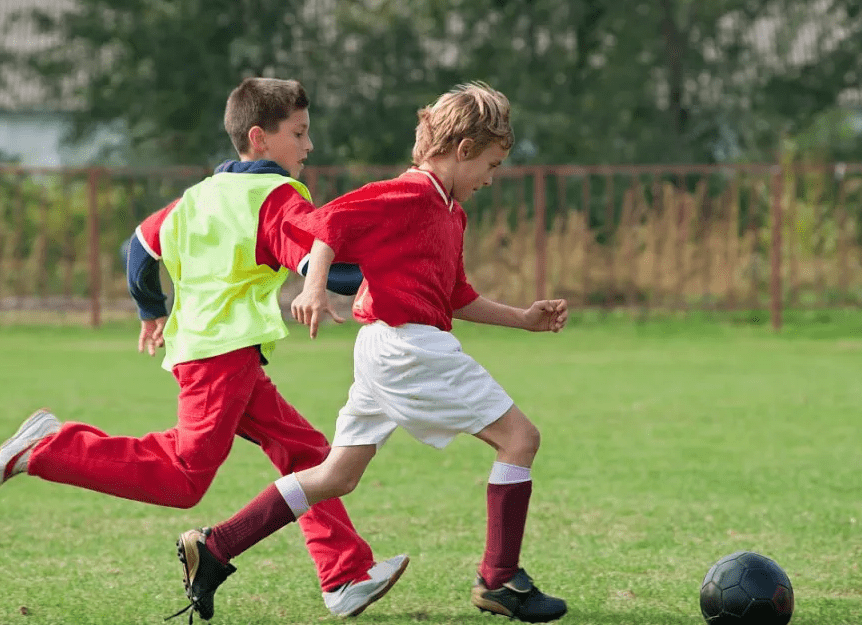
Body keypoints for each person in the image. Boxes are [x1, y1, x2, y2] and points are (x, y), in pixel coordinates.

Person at [0, 77, 408, 620]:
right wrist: (381, 277)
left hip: (216, 353)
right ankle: (50, 447)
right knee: (184, 478)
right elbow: (315, 259)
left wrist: (149, 307)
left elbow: (135, 245)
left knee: (306, 454)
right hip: (219, 358)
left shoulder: (200, 195)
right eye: (299, 134)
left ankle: (344, 575)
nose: (309, 146)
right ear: (260, 137)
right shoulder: (275, 196)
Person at [170, 82, 569, 623]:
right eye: (491, 166)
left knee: (336, 475)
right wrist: (312, 288)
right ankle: (499, 580)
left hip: (386, 346)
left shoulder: (450, 212)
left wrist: (522, 319)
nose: (491, 179)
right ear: (465, 150)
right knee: (520, 439)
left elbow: (454, 295)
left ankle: (216, 547)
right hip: (409, 346)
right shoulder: (409, 195)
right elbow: (329, 222)